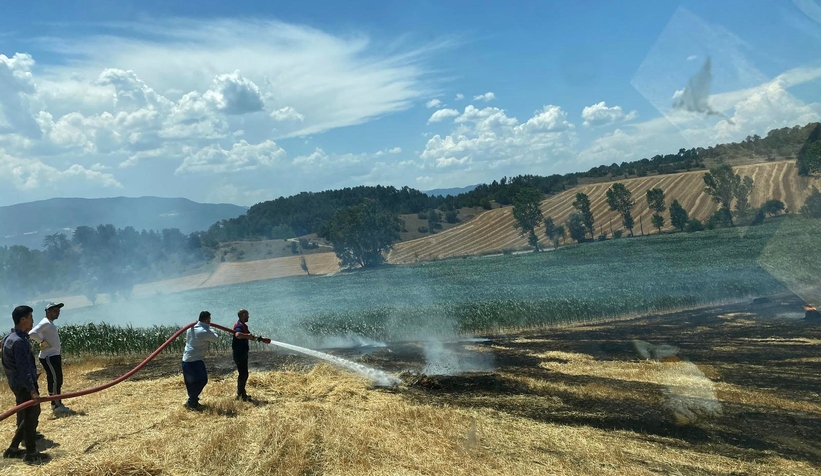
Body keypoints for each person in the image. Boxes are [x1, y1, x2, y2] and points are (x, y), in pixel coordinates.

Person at [1, 306, 49, 463]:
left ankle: (13, 448)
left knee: (29, 414)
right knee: (32, 415)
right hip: (23, 385)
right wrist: (32, 389)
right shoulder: (19, 341)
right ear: (23, 319)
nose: (32, 321)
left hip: (16, 383)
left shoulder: (9, 337)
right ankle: (31, 453)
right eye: (30, 318)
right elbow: (23, 368)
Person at [28, 302, 72, 416]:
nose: (57, 313)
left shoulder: (49, 323)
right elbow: (32, 333)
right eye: (54, 311)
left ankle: (56, 403)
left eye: (58, 311)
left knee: (56, 379)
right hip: (49, 356)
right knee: (55, 380)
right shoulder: (46, 322)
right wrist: (42, 342)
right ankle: (56, 405)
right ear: (48, 312)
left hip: (53, 355)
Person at [181, 311, 220, 411]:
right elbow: (216, 338)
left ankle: (193, 403)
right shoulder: (203, 331)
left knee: (191, 383)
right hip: (195, 360)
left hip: (186, 360)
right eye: (209, 320)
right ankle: (191, 401)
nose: (210, 321)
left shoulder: (191, 328)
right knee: (203, 380)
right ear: (207, 319)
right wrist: (211, 328)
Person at [232, 309, 270, 402]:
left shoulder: (243, 325)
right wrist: (247, 336)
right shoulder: (239, 325)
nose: (249, 317)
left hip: (242, 353)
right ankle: (240, 395)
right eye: (247, 315)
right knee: (243, 374)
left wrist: (261, 339)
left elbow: (250, 336)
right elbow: (238, 335)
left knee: (244, 374)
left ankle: (241, 394)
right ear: (243, 315)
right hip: (239, 353)